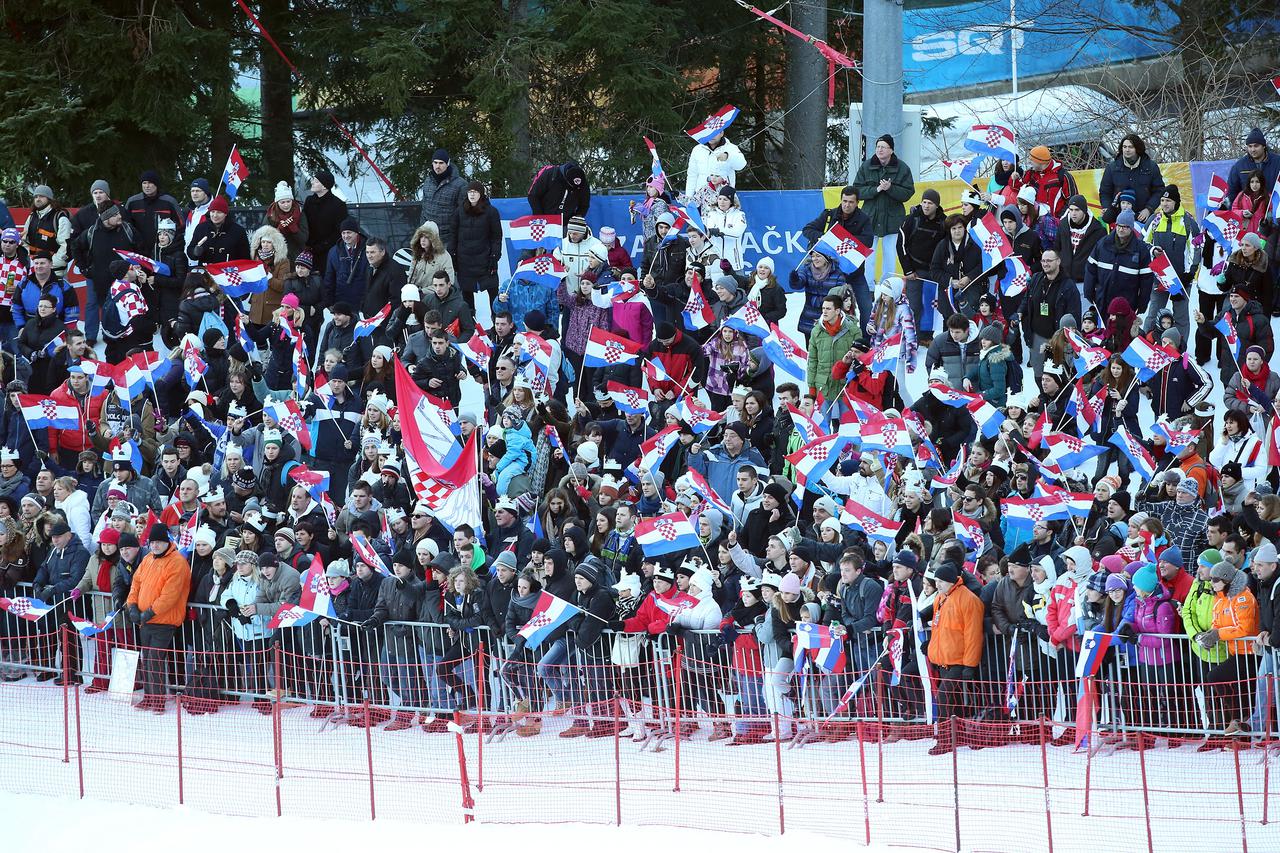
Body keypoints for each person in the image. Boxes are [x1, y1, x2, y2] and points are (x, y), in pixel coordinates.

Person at [126, 523, 191, 711]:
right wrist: (132, 606)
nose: (155, 545)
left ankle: (158, 700)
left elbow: (170, 595)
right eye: (152, 542)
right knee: (147, 659)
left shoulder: (177, 562)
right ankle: (149, 697)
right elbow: (135, 584)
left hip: (164, 620)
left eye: (159, 542)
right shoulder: (147, 559)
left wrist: (150, 612)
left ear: (167, 542)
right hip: (145, 621)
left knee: (155, 659)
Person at [925, 561, 984, 755]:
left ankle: (945, 739)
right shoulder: (940, 598)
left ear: (951, 581)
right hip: (944, 660)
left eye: (941, 581)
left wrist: (969, 664)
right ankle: (955, 735)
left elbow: (973, 634)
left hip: (959, 660)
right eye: (937, 581)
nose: (938, 584)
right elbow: (938, 627)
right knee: (952, 701)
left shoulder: (968, 600)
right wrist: (931, 646)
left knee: (943, 697)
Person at [801, 185, 874, 326]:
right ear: (841, 200)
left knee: (867, 308)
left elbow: (869, 240)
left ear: (857, 203)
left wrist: (844, 238)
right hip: (831, 274)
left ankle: (865, 341)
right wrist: (825, 237)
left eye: (851, 202)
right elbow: (807, 229)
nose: (847, 205)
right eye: (844, 201)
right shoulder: (829, 215)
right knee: (830, 309)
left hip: (854, 272)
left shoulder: (864, 219)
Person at [852, 134, 915, 282]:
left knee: (890, 256)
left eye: (883, 147)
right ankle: (868, 287)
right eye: (878, 147)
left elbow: (908, 192)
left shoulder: (902, 167)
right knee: (869, 256)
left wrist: (890, 188)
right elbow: (857, 190)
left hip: (893, 220)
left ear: (891, 150)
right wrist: (877, 189)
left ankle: (887, 286)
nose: (879, 150)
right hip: (869, 218)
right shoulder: (866, 166)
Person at [1084, 210, 1154, 317]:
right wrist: (1088, 291)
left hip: (1127, 304)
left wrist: (1143, 303)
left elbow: (1146, 279)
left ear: (1131, 228)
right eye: (1119, 226)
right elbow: (1090, 269)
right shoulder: (1103, 244)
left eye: (1125, 227)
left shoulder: (1141, 250)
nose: (1121, 229)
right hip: (1103, 301)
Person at [1098, 134, 1164, 225]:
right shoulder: (1112, 167)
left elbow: (1159, 191)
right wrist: (1107, 207)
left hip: (1142, 216)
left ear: (1138, 149)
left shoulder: (1151, 167)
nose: (1127, 150)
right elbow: (1105, 192)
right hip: (1118, 218)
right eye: (1124, 147)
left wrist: (1149, 209)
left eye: (1131, 147)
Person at [419, 148, 468, 256]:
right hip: (428, 236)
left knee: (446, 271)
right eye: (435, 163)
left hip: (448, 238)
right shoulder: (428, 181)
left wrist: (456, 238)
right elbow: (424, 208)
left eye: (441, 163)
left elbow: (463, 214)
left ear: (448, 164)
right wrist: (422, 231)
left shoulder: (461, 184)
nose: (438, 166)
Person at [302, 169, 348, 277]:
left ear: (324, 186)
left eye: (316, 181)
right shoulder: (309, 201)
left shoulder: (338, 205)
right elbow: (304, 224)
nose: (312, 182)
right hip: (308, 251)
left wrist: (322, 246)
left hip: (328, 252)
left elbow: (339, 232)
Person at [21, 185, 72, 275]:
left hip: (55, 271)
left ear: (49, 198)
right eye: (36, 197)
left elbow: (66, 246)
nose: (38, 199)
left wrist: (50, 263)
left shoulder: (60, 218)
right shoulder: (32, 216)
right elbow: (24, 241)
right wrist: (31, 261)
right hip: (34, 269)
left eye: (41, 196)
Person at [1226, 127, 1280, 205]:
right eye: (1250, 146)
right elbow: (1231, 193)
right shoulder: (1239, 166)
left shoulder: (1277, 162)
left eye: (1256, 146)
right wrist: (1237, 212)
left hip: (1274, 210)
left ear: (1264, 146)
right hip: (1249, 213)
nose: (1253, 150)